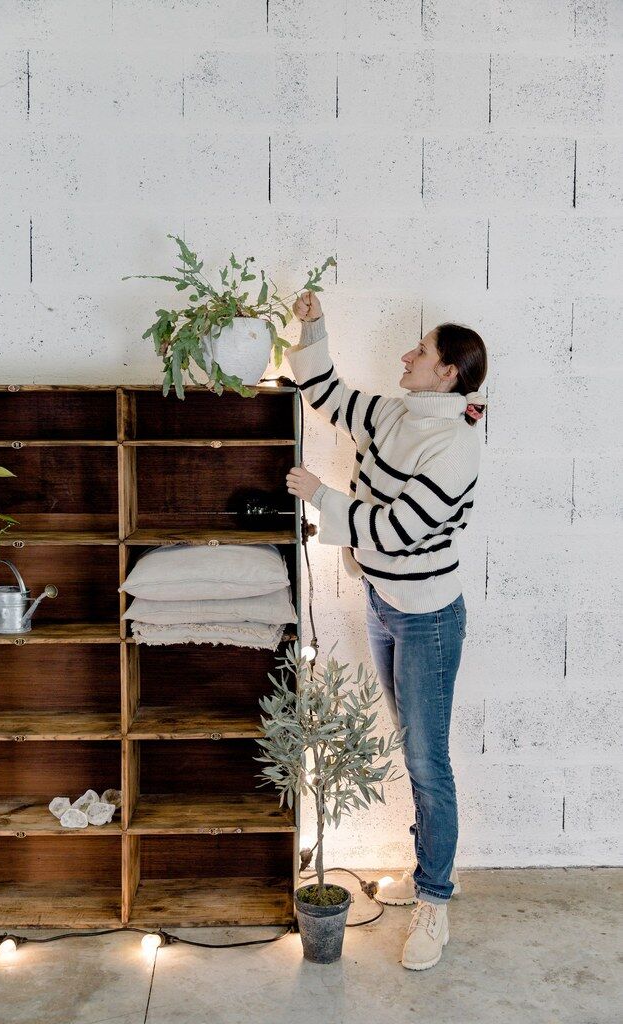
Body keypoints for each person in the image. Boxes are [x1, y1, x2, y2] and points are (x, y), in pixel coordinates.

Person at [285, 289, 487, 971]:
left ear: (448, 373)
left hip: (427, 617)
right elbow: (328, 393)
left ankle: (434, 902)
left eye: (421, 352)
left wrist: (320, 495)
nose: (406, 355)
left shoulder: (453, 441)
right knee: (411, 750)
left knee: (428, 763)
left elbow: (400, 527)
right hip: (381, 600)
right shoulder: (400, 410)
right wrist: (312, 324)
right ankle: (429, 871)